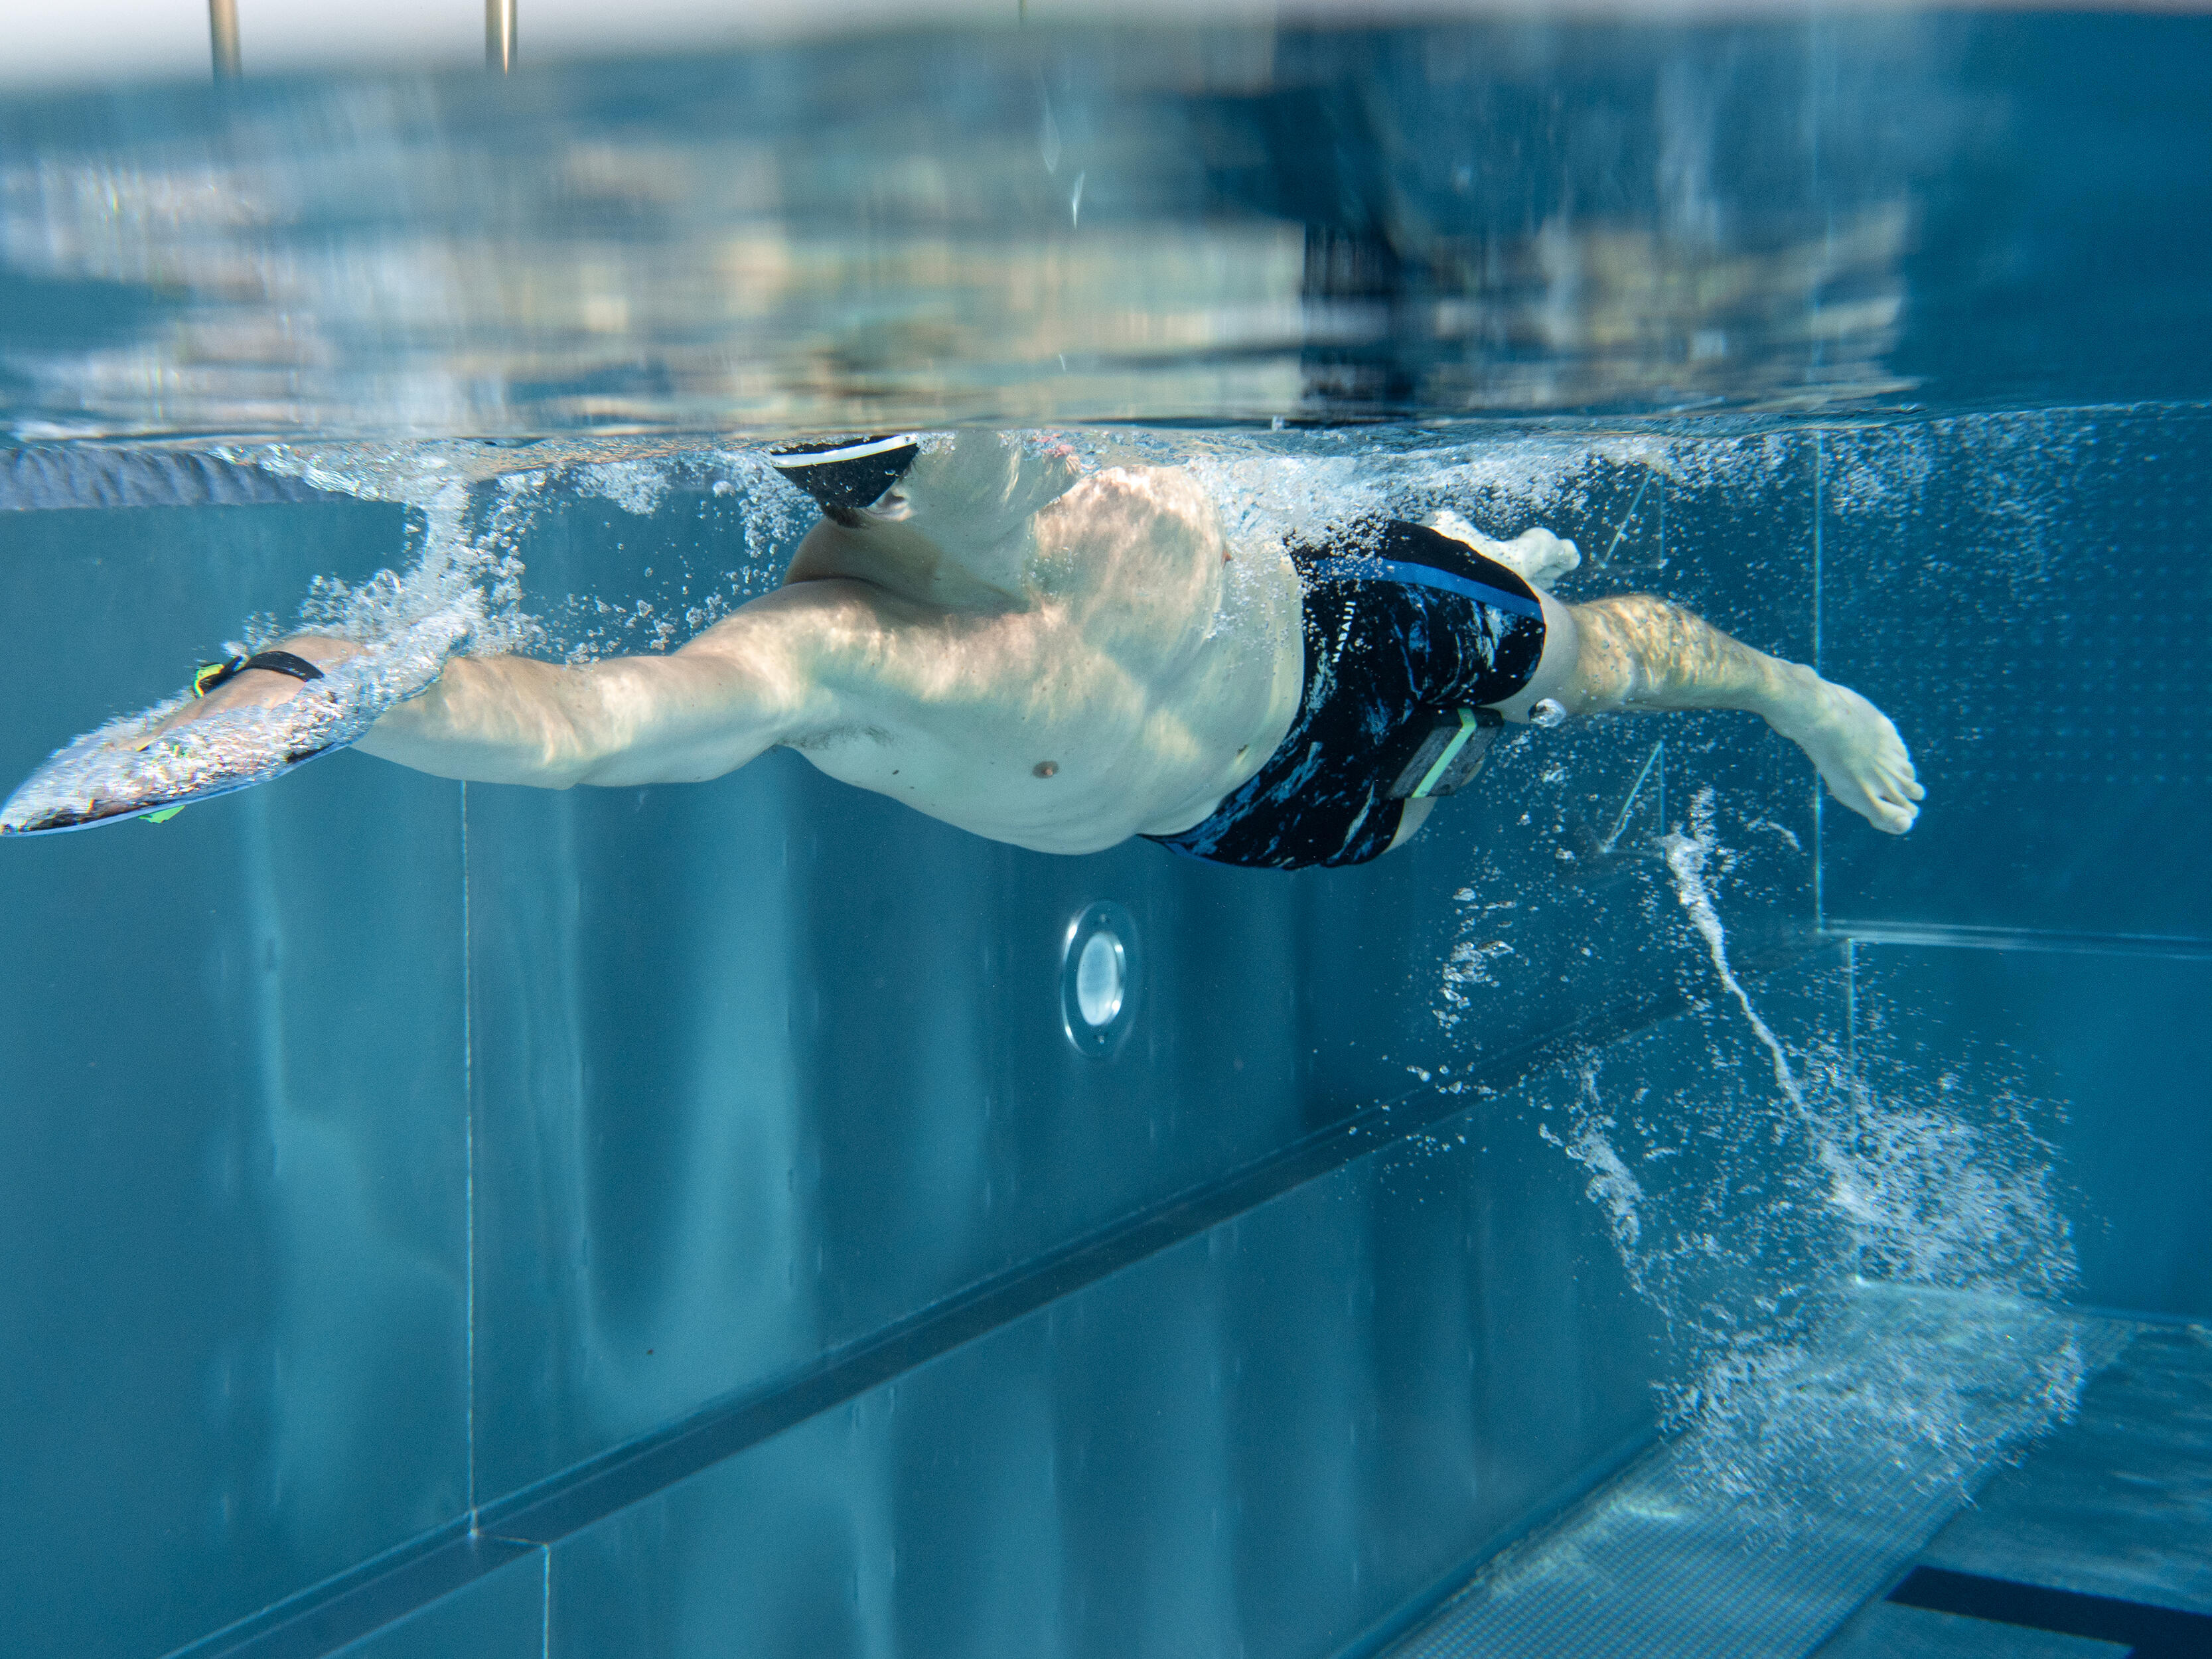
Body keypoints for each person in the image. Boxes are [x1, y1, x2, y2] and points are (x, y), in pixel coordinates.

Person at [133, 432, 1921, 867]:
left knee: (1570, 661)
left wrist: (1783, 690)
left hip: (1342, 634)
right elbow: (598, 724)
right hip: (1259, 823)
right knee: (1438, 786)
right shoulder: (832, 645)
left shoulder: (1094, 453)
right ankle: (1478, 654)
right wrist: (310, 690)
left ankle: (1784, 683)